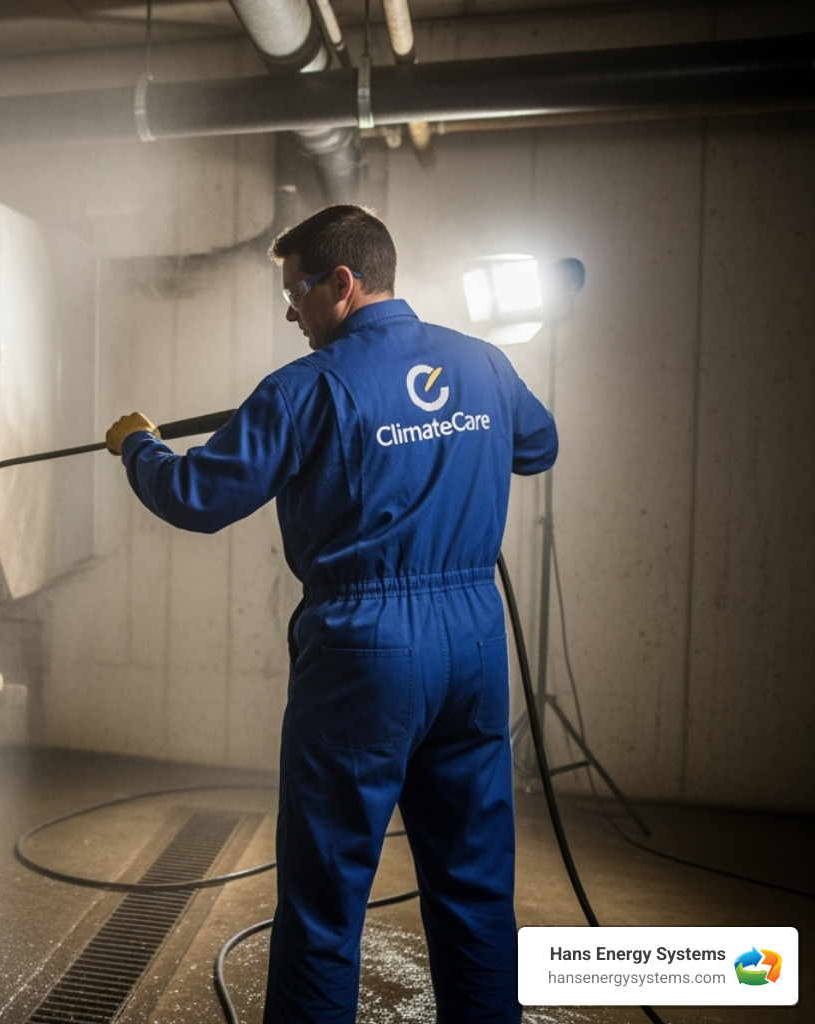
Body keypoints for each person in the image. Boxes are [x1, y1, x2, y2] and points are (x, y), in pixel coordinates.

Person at [105, 205, 558, 1024]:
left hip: (365, 652)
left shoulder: (305, 388)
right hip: (473, 644)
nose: (292, 313)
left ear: (342, 283)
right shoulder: (484, 361)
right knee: (475, 886)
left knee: (325, 901)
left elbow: (196, 496)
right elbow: (539, 445)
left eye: (297, 292)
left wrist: (139, 446)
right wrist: (446, 433)